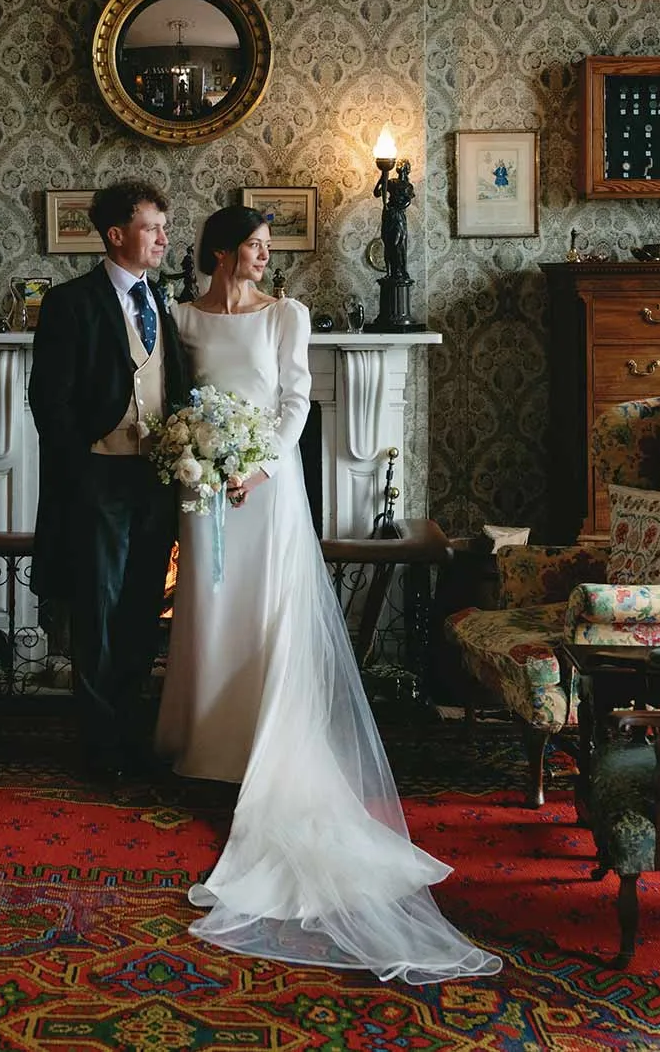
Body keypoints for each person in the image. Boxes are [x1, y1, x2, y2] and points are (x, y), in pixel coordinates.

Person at [155, 205, 500, 985]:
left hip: (264, 489)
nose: (263, 254)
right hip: (202, 486)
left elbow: (296, 403)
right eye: (251, 245)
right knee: (207, 612)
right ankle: (204, 740)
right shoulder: (181, 317)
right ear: (219, 252)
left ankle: (264, 747)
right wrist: (197, 456)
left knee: (265, 614)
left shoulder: (288, 314)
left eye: (265, 244)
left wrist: (254, 465)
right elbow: (175, 396)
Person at [29, 179, 192, 782]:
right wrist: (84, 467)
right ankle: (99, 747)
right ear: (117, 234)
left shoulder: (161, 300)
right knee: (97, 612)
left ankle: (132, 735)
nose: (163, 238)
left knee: (142, 611)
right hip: (97, 480)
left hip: (153, 480)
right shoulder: (71, 303)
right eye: (152, 227)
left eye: (165, 227)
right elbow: (48, 402)